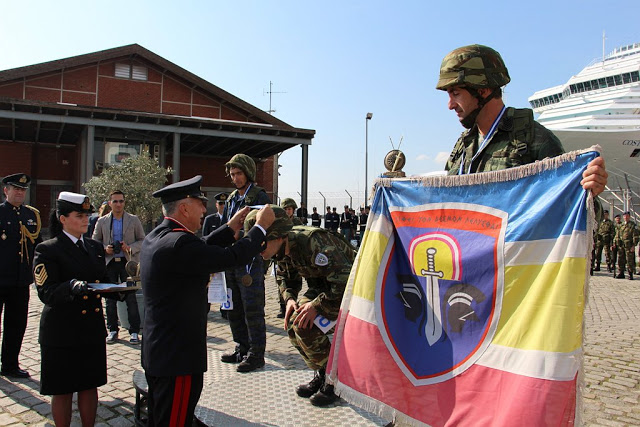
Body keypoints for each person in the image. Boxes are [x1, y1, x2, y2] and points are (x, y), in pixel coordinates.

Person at [141, 175, 274, 426]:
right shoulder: (180, 244)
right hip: (178, 360)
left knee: (162, 417)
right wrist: (260, 229)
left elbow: (201, 247)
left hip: (160, 353)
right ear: (184, 208)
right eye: (199, 202)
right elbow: (229, 256)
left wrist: (232, 225)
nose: (205, 209)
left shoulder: (160, 236)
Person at [437, 44, 607, 195]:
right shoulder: (463, 146)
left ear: (483, 90)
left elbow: (567, 209)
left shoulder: (533, 140)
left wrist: (590, 193)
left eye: (456, 93)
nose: (450, 105)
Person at [245, 207, 356, 407]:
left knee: (307, 327)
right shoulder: (282, 250)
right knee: (293, 323)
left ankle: (336, 382)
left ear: (278, 236)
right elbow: (285, 277)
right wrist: (289, 300)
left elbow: (346, 279)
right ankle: (323, 374)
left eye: (261, 243)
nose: (259, 251)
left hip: (350, 290)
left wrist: (316, 307)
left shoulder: (312, 242)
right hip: (324, 288)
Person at [34, 192, 126, 426]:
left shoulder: (94, 247)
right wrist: (71, 286)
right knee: (62, 389)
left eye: (87, 215)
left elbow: (102, 280)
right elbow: (46, 293)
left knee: (89, 385)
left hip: (90, 329)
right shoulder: (48, 249)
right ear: (62, 218)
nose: (86, 220)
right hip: (61, 330)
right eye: (79, 215)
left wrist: (121, 289)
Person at [220, 154, 272, 372]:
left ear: (248, 172)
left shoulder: (258, 196)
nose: (235, 178)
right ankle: (241, 346)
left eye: (239, 173)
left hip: (250, 261)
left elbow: (263, 226)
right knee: (234, 306)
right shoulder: (232, 198)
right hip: (232, 259)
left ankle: (256, 353)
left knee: (252, 307)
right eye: (232, 174)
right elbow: (225, 225)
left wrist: (240, 234)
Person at [0, 173, 42, 378]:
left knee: (16, 324)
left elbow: (39, 247)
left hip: (20, 280)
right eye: (15, 188)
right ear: (5, 190)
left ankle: (10, 364)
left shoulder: (31, 215)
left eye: (22, 189)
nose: (19, 192)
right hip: (0, 278)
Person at [92, 190, 145, 344]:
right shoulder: (102, 221)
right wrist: (104, 249)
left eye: (121, 201)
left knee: (131, 298)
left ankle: (134, 331)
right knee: (110, 299)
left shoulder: (133, 220)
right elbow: (94, 242)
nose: (118, 204)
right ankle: (113, 330)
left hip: (127, 264)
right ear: (110, 203)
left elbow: (143, 240)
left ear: (124, 202)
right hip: (109, 263)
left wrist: (129, 247)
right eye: (115, 201)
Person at [614, 211, 638, 280]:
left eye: (627, 216)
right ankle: (621, 273)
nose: (625, 217)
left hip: (629, 246)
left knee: (629, 260)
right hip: (621, 245)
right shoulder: (621, 225)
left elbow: (635, 236)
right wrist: (615, 243)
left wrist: (634, 245)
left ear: (629, 217)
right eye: (624, 216)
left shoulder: (632, 225)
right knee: (621, 259)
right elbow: (617, 235)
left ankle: (630, 274)